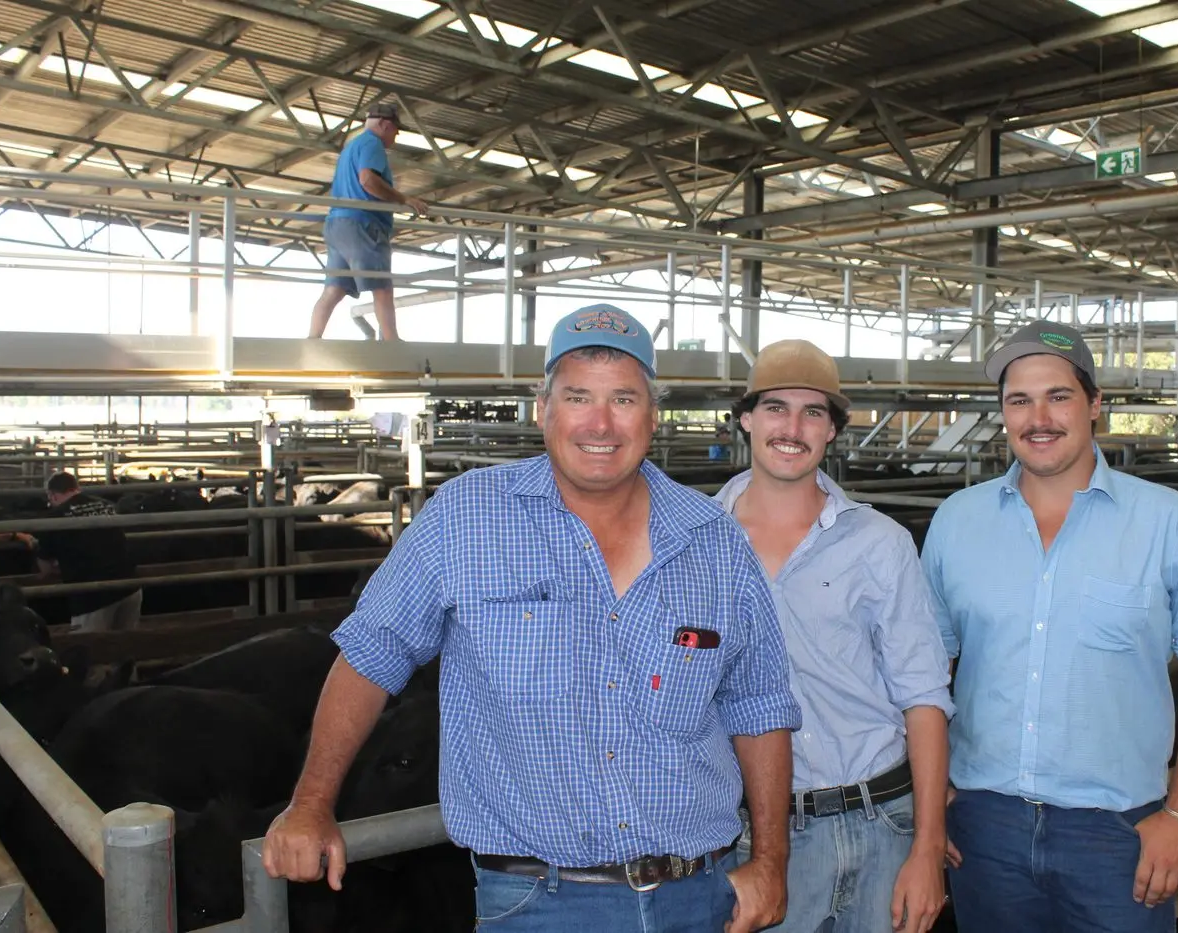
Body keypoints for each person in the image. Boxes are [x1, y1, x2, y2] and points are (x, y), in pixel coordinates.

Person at [263, 303, 802, 933]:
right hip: (538, 903)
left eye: (623, 399)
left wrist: (771, 860)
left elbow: (759, 703)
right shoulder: (467, 517)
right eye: (578, 397)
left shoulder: (713, 539)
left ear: (653, 417)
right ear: (542, 408)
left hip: (698, 896)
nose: (600, 423)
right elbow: (370, 655)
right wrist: (310, 805)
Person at [921, 322, 1178, 932]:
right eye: (1019, 400)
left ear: (1095, 404)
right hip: (983, 825)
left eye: (1059, 396)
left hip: (1119, 832)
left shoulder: (1173, 523)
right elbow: (927, 667)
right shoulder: (957, 521)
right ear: (1003, 412)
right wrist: (931, 792)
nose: (1038, 418)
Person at [716, 339, 953, 933]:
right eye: (775, 408)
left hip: (884, 823)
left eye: (813, 412)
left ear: (832, 431)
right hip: (753, 836)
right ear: (746, 419)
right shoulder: (696, 542)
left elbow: (924, 696)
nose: (792, 428)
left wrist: (928, 846)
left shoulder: (880, 542)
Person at [308, 101, 429, 342]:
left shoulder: (351, 147)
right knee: (382, 286)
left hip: (337, 224)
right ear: (384, 124)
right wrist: (404, 199)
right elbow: (367, 180)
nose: (395, 137)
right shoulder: (372, 143)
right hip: (362, 224)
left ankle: (313, 339)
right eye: (395, 130)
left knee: (334, 289)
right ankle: (392, 342)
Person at [37, 472, 142, 632]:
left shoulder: (54, 518)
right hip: (129, 586)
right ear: (76, 488)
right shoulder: (106, 505)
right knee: (125, 643)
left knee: (87, 645)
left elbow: (45, 569)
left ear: (52, 495)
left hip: (92, 595)